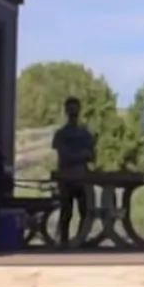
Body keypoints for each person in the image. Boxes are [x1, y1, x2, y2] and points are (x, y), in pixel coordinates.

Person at [50, 97, 98, 247]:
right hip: (66, 178)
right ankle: (64, 241)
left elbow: (92, 156)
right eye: (70, 110)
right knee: (66, 212)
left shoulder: (85, 133)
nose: (73, 113)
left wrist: (83, 155)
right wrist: (81, 155)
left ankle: (79, 240)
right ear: (66, 111)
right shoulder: (61, 134)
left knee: (86, 211)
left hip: (82, 178)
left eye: (75, 110)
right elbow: (64, 154)